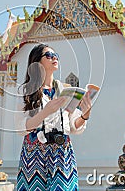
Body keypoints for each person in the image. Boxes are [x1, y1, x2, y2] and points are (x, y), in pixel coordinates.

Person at [16, 43, 92, 191]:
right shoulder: (26, 90)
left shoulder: (65, 90)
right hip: (34, 153)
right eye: (49, 55)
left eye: (55, 55)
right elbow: (21, 127)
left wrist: (85, 114)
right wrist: (46, 112)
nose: (54, 58)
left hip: (61, 152)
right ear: (37, 62)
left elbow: (72, 125)